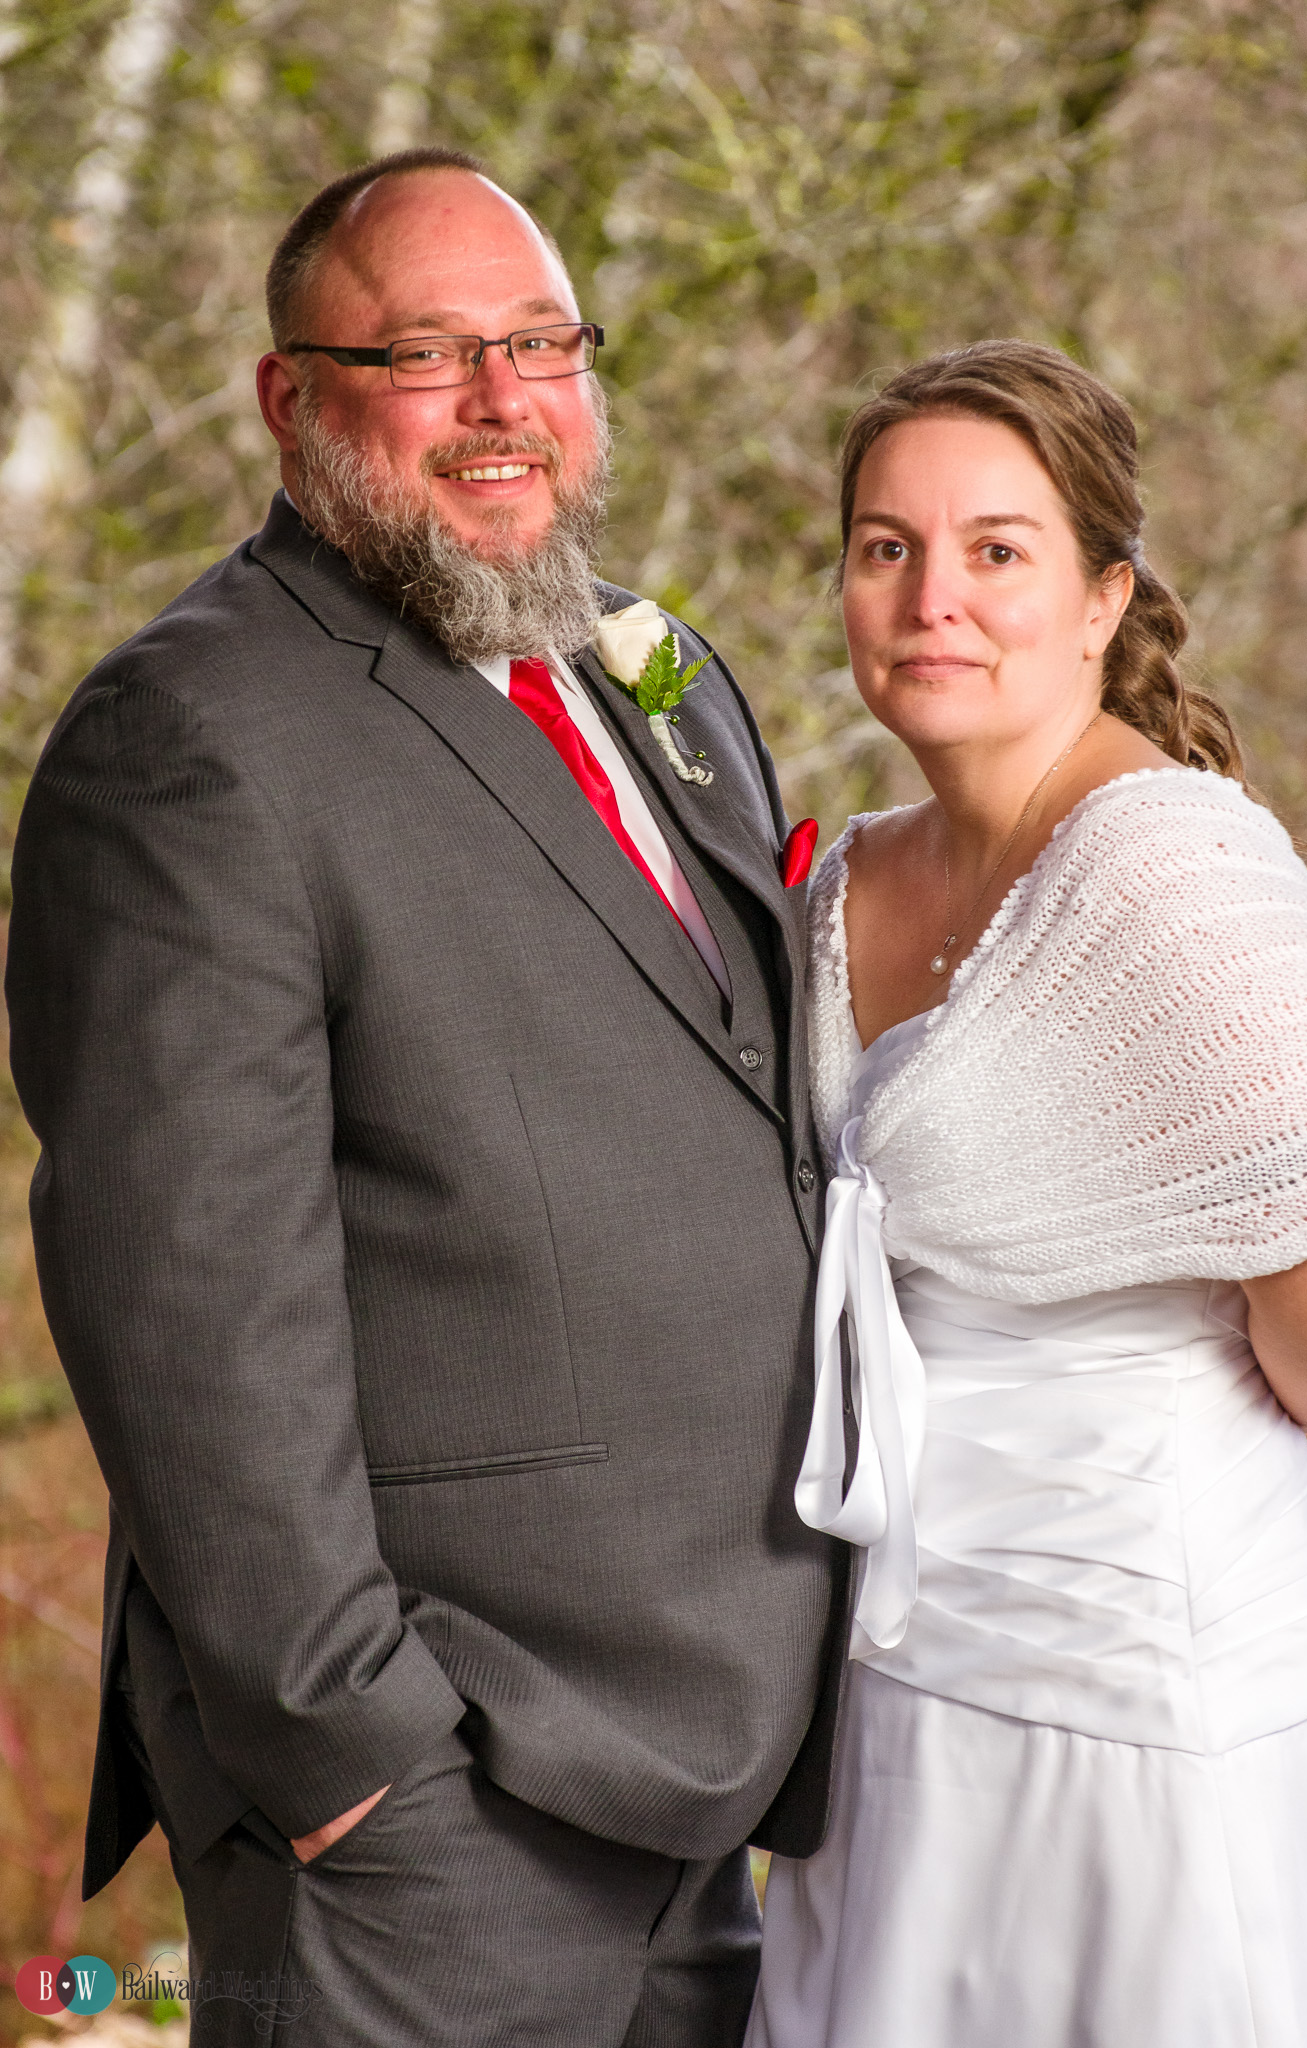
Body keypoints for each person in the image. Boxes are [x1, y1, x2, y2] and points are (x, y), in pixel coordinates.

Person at [5, 147, 847, 2047]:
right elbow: (184, 1295)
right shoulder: (194, 738)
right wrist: (349, 1750)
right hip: (435, 1794)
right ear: (289, 397)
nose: (501, 403)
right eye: (428, 354)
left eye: (539, 344)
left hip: (712, 1762)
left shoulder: (667, 676)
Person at [747, 340, 1307, 2048]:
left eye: (996, 551)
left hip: (1151, 1683)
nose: (932, 595)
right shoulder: (838, 879)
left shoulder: (1180, 871)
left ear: (1103, 599)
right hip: (894, 1671)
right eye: (886, 548)